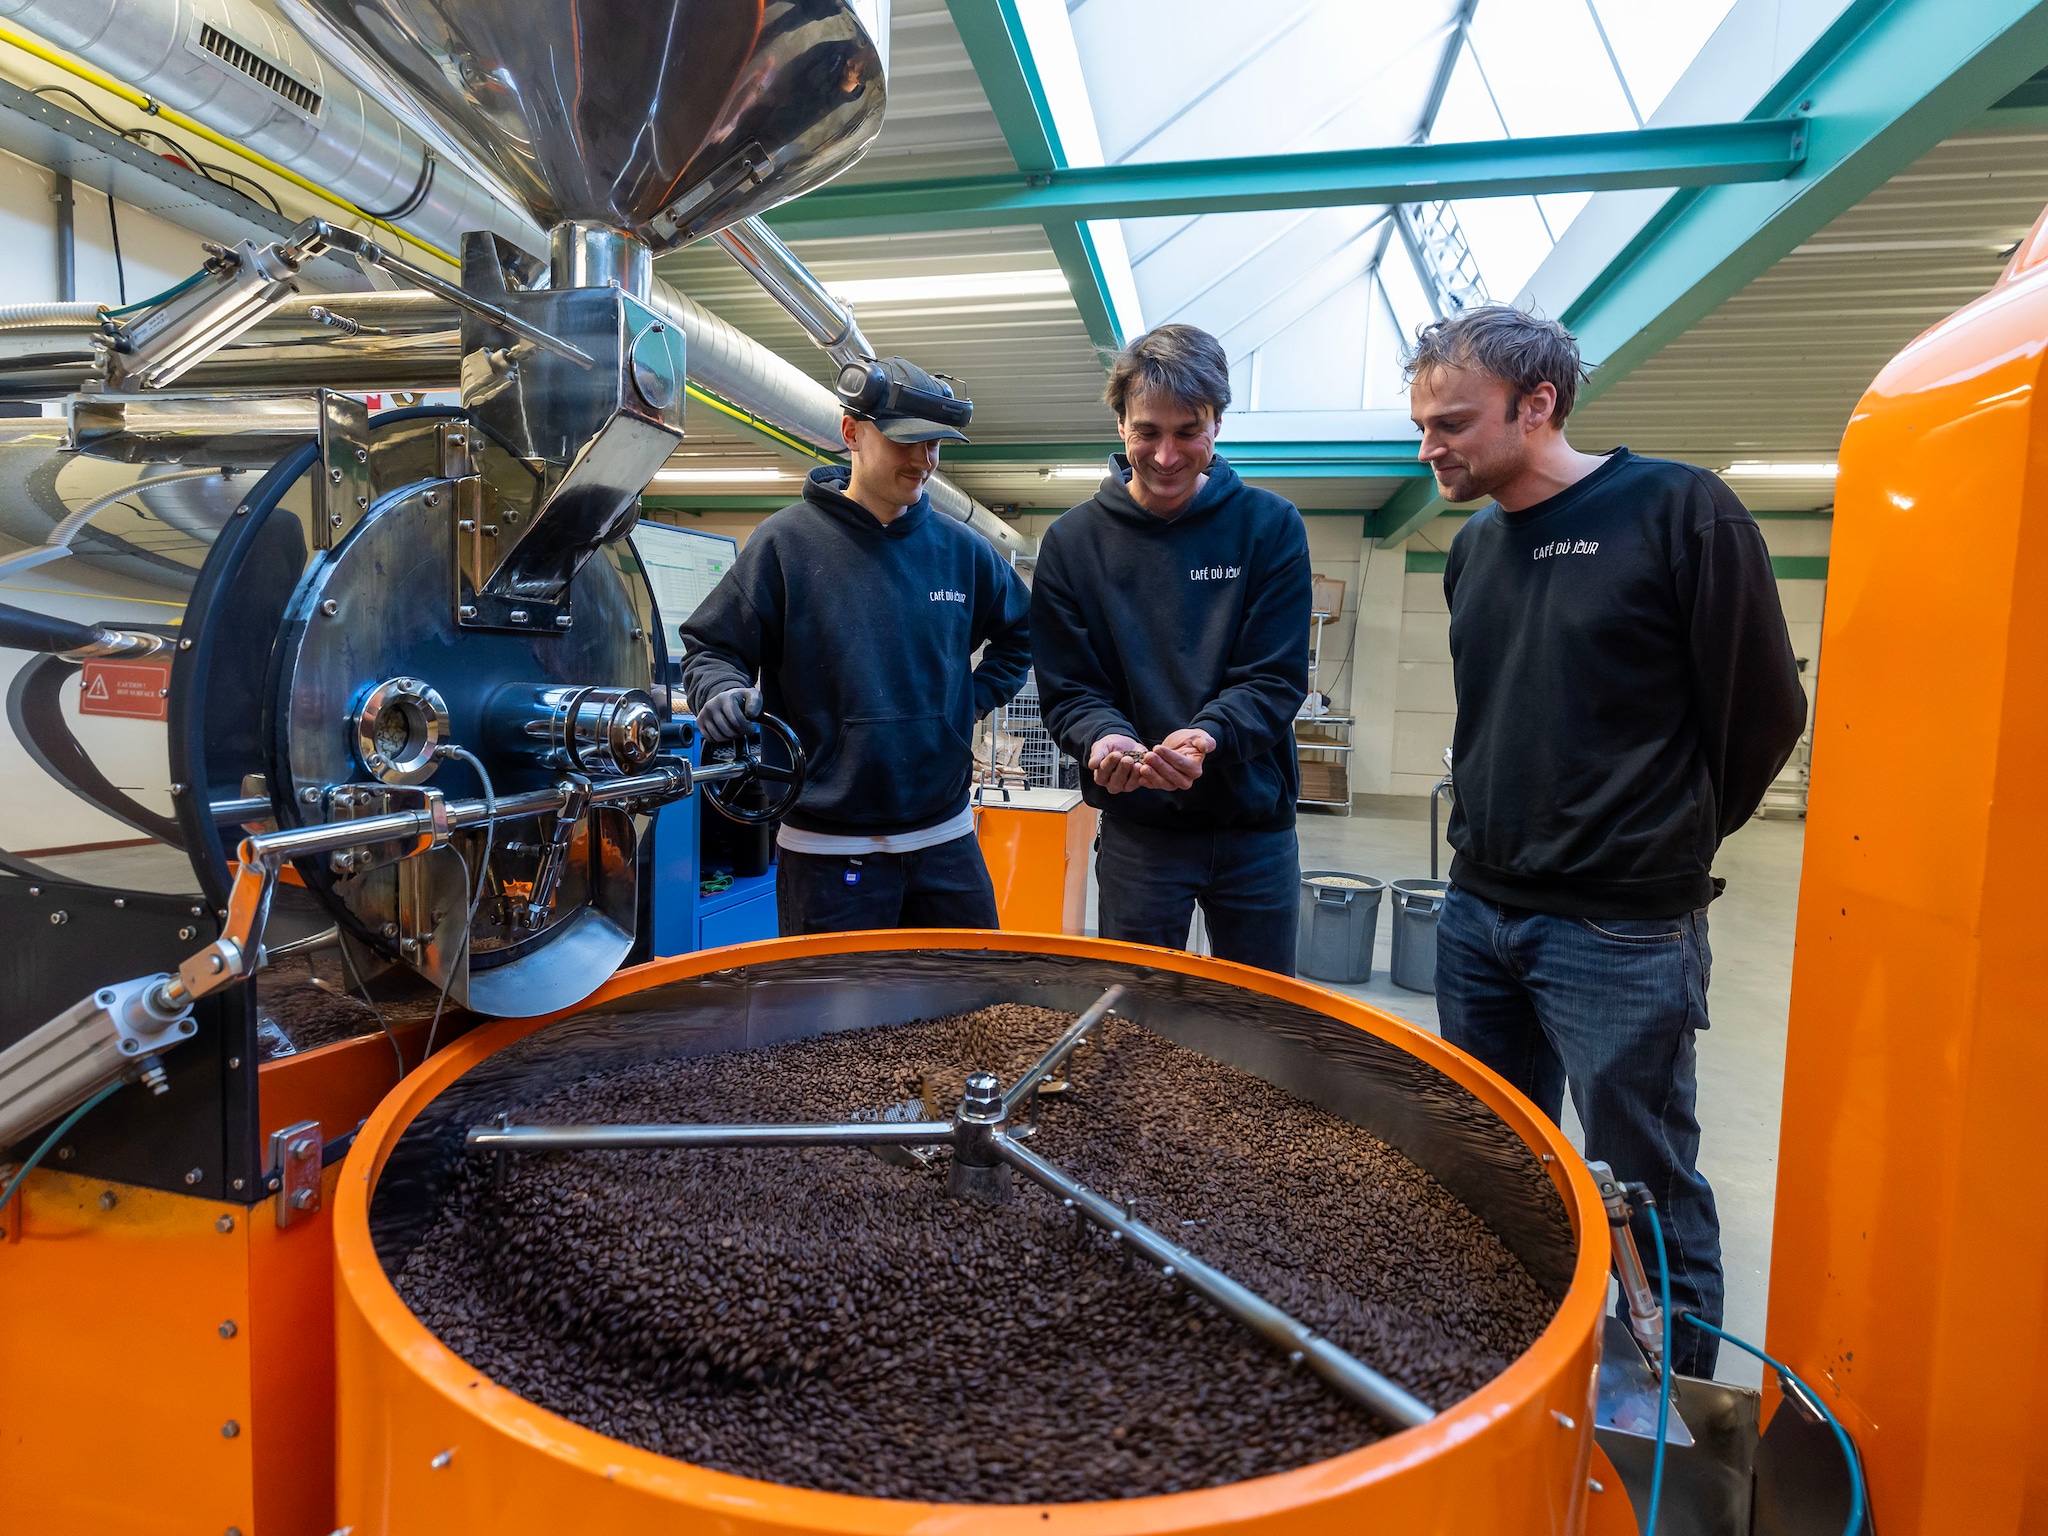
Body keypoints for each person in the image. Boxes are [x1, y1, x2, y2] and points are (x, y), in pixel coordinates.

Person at [1407, 304, 1806, 1379]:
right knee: (1488, 1151)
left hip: (1619, 933)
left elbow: (1761, 714)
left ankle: (1679, 1398)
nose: (1427, 448)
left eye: (1449, 423)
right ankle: (1508, 1358)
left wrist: (1656, 843)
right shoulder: (1475, 549)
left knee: (1642, 1172)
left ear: (1536, 404)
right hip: (1478, 911)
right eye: (1421, 425)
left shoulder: (1677, 512)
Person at [678, 356, 1031, 935]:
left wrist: (964, 703)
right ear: (852, 433)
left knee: (970, 1013)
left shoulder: (963, 551)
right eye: (906, 443)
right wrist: (720, 689)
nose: (924, 461)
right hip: (825, 851)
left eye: (936, 444)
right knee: (833, 1025)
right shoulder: (784, 544)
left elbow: (1021, 634)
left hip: (946, 841)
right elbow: (712, 648)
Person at [1030, 324, 1312, 974]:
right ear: (1121, 423)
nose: (1164, 455)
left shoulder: (1269, 528)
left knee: (1262, 1014)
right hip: (1141, 831)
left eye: (1188, 431)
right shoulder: (1073, 544)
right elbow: (1071, 689)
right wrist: (1103, 738)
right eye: (1146, 432)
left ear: (1217, 423)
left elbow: (1272, 679)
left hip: (1253, 829)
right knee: (1135, 1014)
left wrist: (1208, 737)